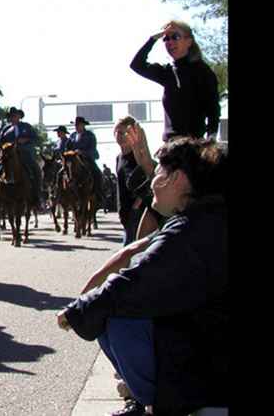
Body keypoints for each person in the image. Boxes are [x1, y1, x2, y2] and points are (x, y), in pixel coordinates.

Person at [56, 137, 228, 416]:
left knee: (115, 317)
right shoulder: (205, 216)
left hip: (213, 359)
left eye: (159, 172)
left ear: (178, 179)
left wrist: (82, 308)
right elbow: (137, 251)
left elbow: (136, 282)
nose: (152, 181)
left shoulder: (190, 229)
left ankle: (155, 404)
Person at [130, 20, 220, 142]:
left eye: (175, 37)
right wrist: (153, 39)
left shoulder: (202, 71)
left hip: (193, 145)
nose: (170, 42)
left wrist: (211, 140)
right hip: (170, 146)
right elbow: (136, 65)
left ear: (189, 42)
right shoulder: (168, 72)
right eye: (166, 38)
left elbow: (213, 110)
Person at [0, 107, 43, 205]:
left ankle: (36, 196)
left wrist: (26, 140)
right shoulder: (5, 129)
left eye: (15, 116)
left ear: (19, 117)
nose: (13, 118)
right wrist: (6, 146)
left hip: (25, 155)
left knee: (37, 170)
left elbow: (36, 138)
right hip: (8, 156)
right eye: (11, 116)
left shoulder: (27, 127)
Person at [113, 117, 149, 245]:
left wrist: (136, 205)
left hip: (137, 211)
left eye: (123, 132)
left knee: (130, 250)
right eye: (116, 131)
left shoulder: (138, 157)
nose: (119, 135)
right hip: (125, 211)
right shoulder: (119, 158)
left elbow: (148, 180)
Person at [65, 116, 104, 205]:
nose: (76, 127)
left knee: (97, 173)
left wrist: (82, 152)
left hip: (87, 158)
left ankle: (98, 194)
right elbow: (67, 147)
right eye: (75, 125)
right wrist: (67, 153)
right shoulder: (72, 135)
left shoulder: (90, 135)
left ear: (83, 125)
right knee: (62, 172)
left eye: (78, 125)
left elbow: (93, 148)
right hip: (73, 159)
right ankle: (61, 193)